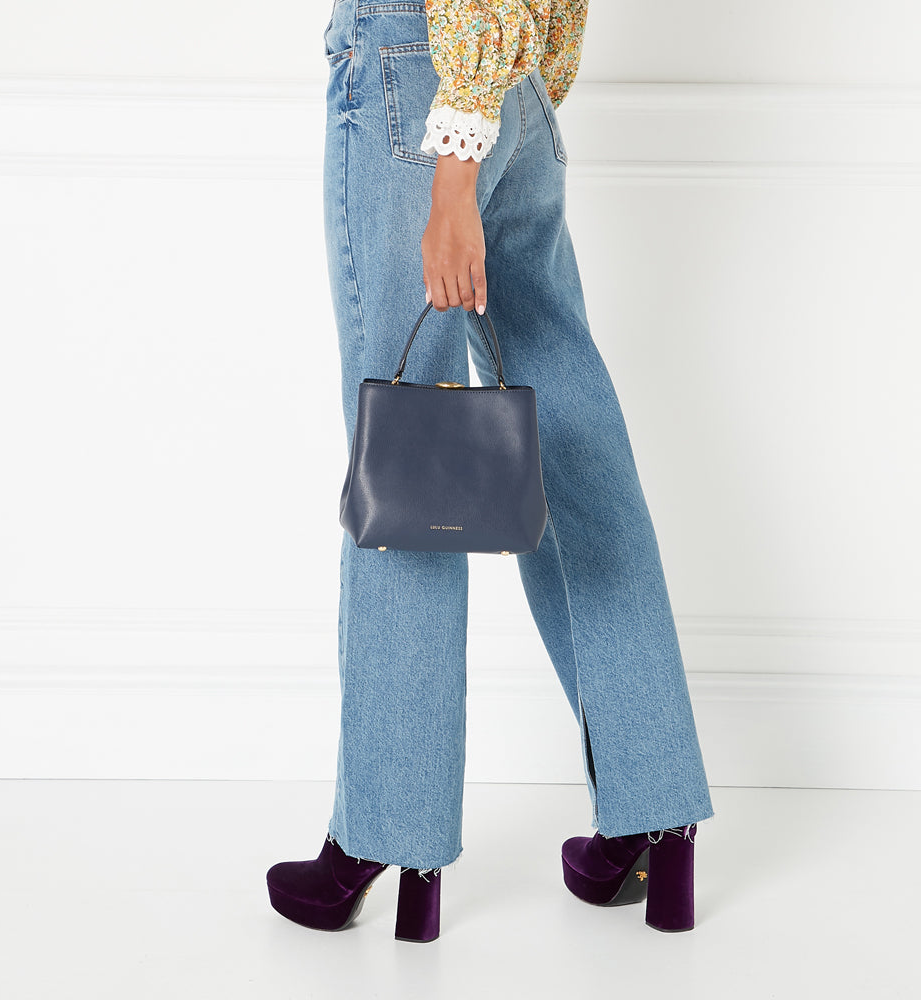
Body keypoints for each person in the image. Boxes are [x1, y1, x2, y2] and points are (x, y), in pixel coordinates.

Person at [266, 0, 714, 941]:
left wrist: (457, 165)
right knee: (574, 450)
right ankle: (654, 809)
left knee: (407, 458)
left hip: (421, 81)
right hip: (506, 86)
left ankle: (389, 836)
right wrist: (515, 89)